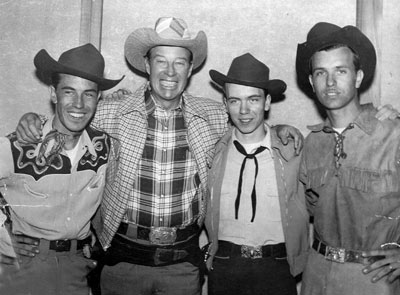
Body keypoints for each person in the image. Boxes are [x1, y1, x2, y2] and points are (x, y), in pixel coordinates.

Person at [11, 17, 305, 295]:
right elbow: (71, 113)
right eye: (161, 61)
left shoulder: (213, 116)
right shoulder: (110, 111)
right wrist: (33, 120)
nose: (169, 72)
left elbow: (248, 123)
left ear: (190, 70)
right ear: (146, 65)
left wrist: (279, 127)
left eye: (179, 63)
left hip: (182, 262)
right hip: (122, 259)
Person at [0, 43, 122, 294]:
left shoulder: (106, 147)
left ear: (98, 97)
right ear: (53, 94)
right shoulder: (18, 144)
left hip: (77, 267)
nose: (79, 103)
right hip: (22, 265)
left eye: (88, 94)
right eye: (69, 92)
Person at [296, 22, 400, 295]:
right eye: (321, 73)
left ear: (357, 77)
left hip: (374, 279)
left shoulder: (393, 134)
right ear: (311, 82)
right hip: (317, 276)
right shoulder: (312, 143)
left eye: (340, 71)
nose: (330, 82)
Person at [204, 53, 309, 295]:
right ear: (225, 102)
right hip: (225, 268)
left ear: (267, 101)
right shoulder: (214, 150)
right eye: (234, 101)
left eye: (253, 99)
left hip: (277, 269)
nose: (243, 111)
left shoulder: (291, 150)